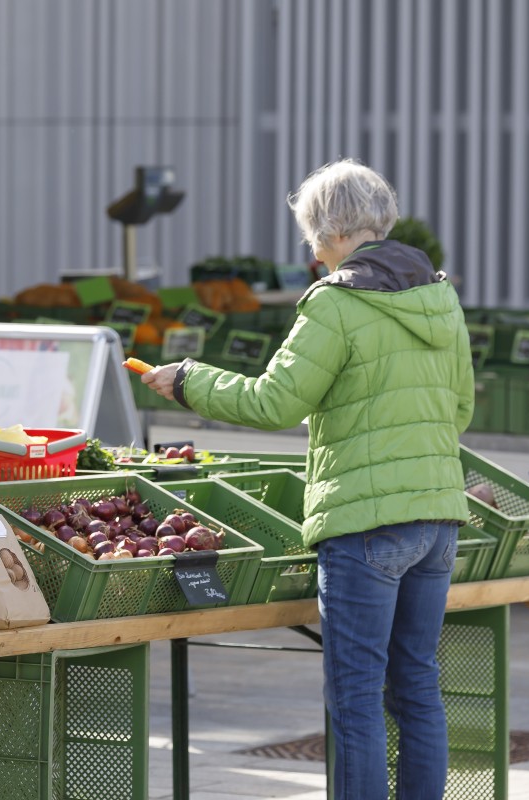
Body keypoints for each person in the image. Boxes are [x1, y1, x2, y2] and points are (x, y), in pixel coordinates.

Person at [140, 159, 474, 799]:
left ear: (331, 232)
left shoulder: (338, 302)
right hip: (438, 519)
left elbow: (275, 403)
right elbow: (461, 410)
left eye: (312, 237)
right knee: (417, 687)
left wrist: (188, 379)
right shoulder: (440, 294)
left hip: (365, 525)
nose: (312, 253)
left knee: (354, 697)